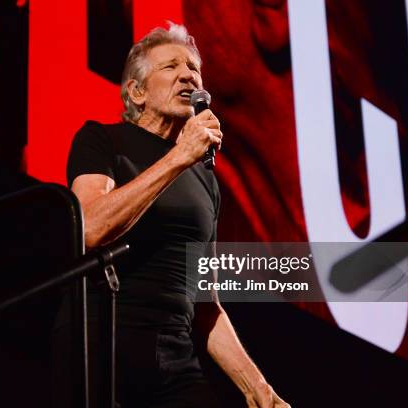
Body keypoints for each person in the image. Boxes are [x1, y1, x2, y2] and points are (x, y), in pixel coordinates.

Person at [65, 22, 290, 408]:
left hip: (175, 359)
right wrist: (179, 157)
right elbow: (91, 228)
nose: (188, 74)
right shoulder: (102, 141)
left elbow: (206, 301)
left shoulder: (204, 179)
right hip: (105, 340)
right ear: (137, 92)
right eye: (170, 67)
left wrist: (260, 390)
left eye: (193, 67)